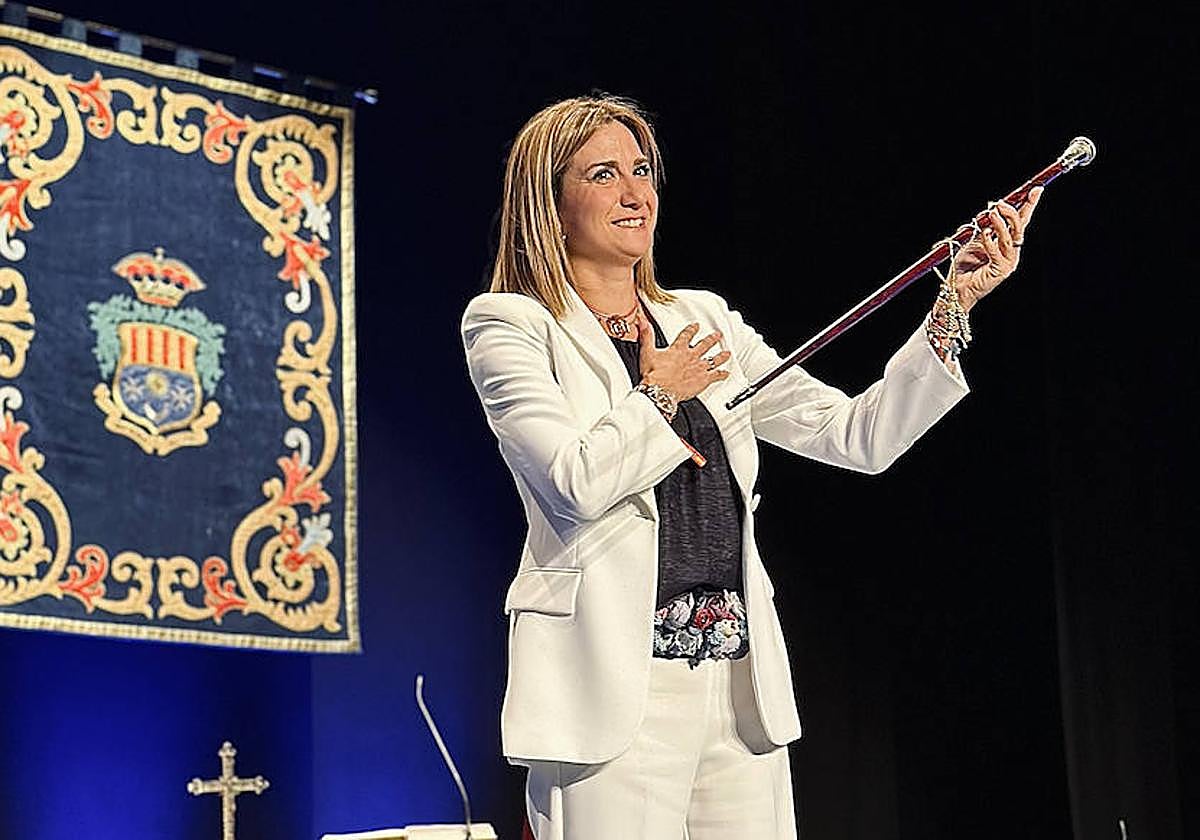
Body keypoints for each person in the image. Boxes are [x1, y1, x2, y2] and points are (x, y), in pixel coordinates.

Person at [461, 95, 1041, 840]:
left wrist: (952, 305)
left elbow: (855, 436)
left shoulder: (704, 319)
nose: (635, 194)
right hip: (610, 687)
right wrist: (660, 394)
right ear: (549, 202)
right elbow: (573, 484)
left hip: (735, 684)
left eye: (643, 171)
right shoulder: (510, 325)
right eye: (603, 174)